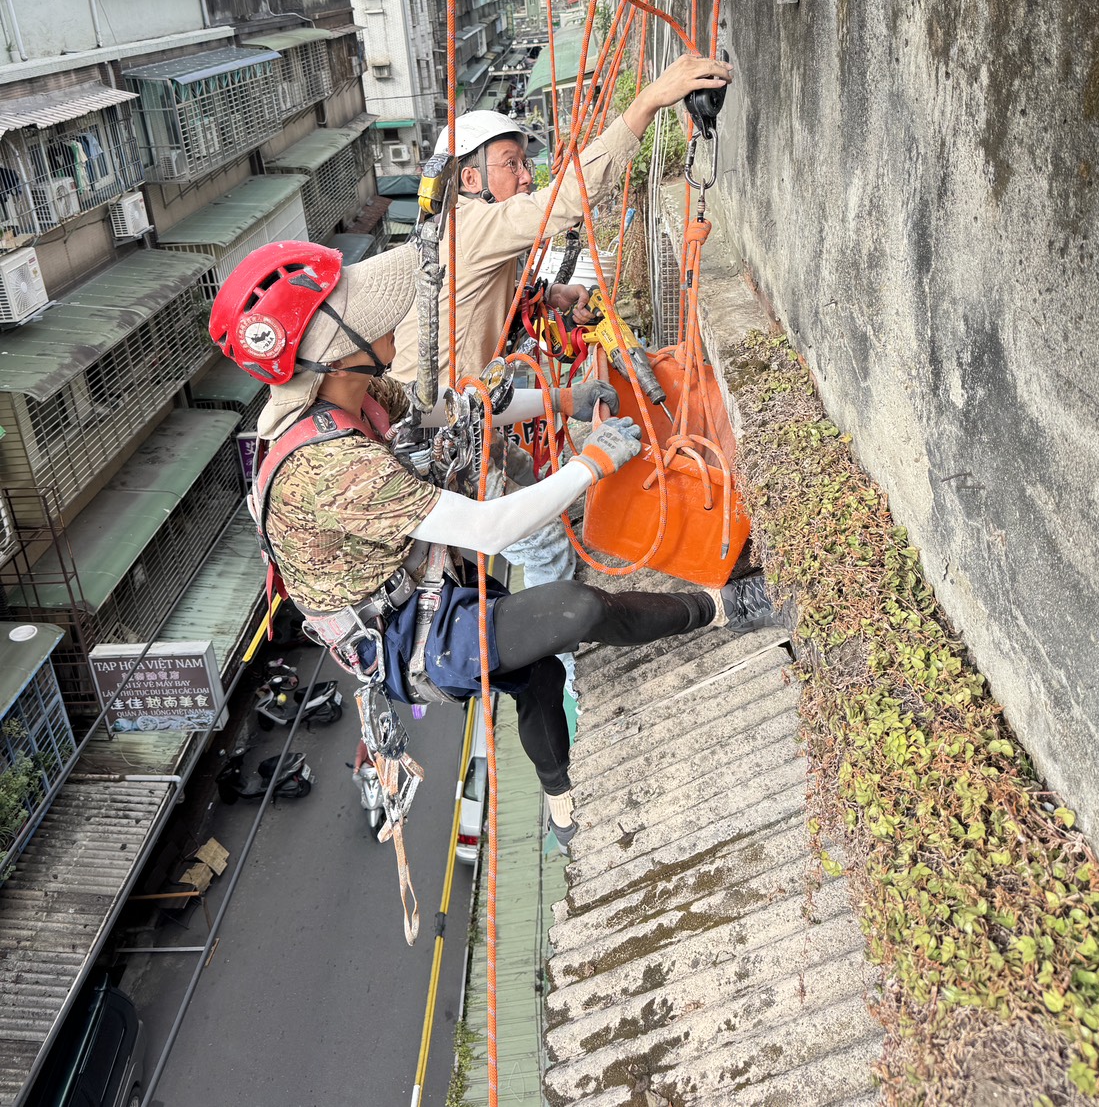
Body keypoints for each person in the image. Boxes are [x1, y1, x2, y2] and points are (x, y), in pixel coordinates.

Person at [210, 240, 780, 848]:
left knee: (535, 672)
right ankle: (722, 608)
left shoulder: (362, 397)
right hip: (400, 636)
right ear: (329, 357)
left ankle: (560, 801)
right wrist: (591, 464)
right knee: (575, 609)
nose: (389, 321)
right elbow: (488, 529)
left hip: (419, 581)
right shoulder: (328, 468)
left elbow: (458, 414)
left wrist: (564, 399)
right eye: (365, 317)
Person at [389, 52, 734, 588]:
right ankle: (564, 632)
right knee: (544, 545)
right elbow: (566, 199)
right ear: (471, 177)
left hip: (461, 416)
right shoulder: (469, 223)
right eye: (512, 164)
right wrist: (648, 102)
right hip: (440, 431)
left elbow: (487, 291)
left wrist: (552, 295)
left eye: (525, 163)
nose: (527, 176)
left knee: (527, 478)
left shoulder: (461, 231)